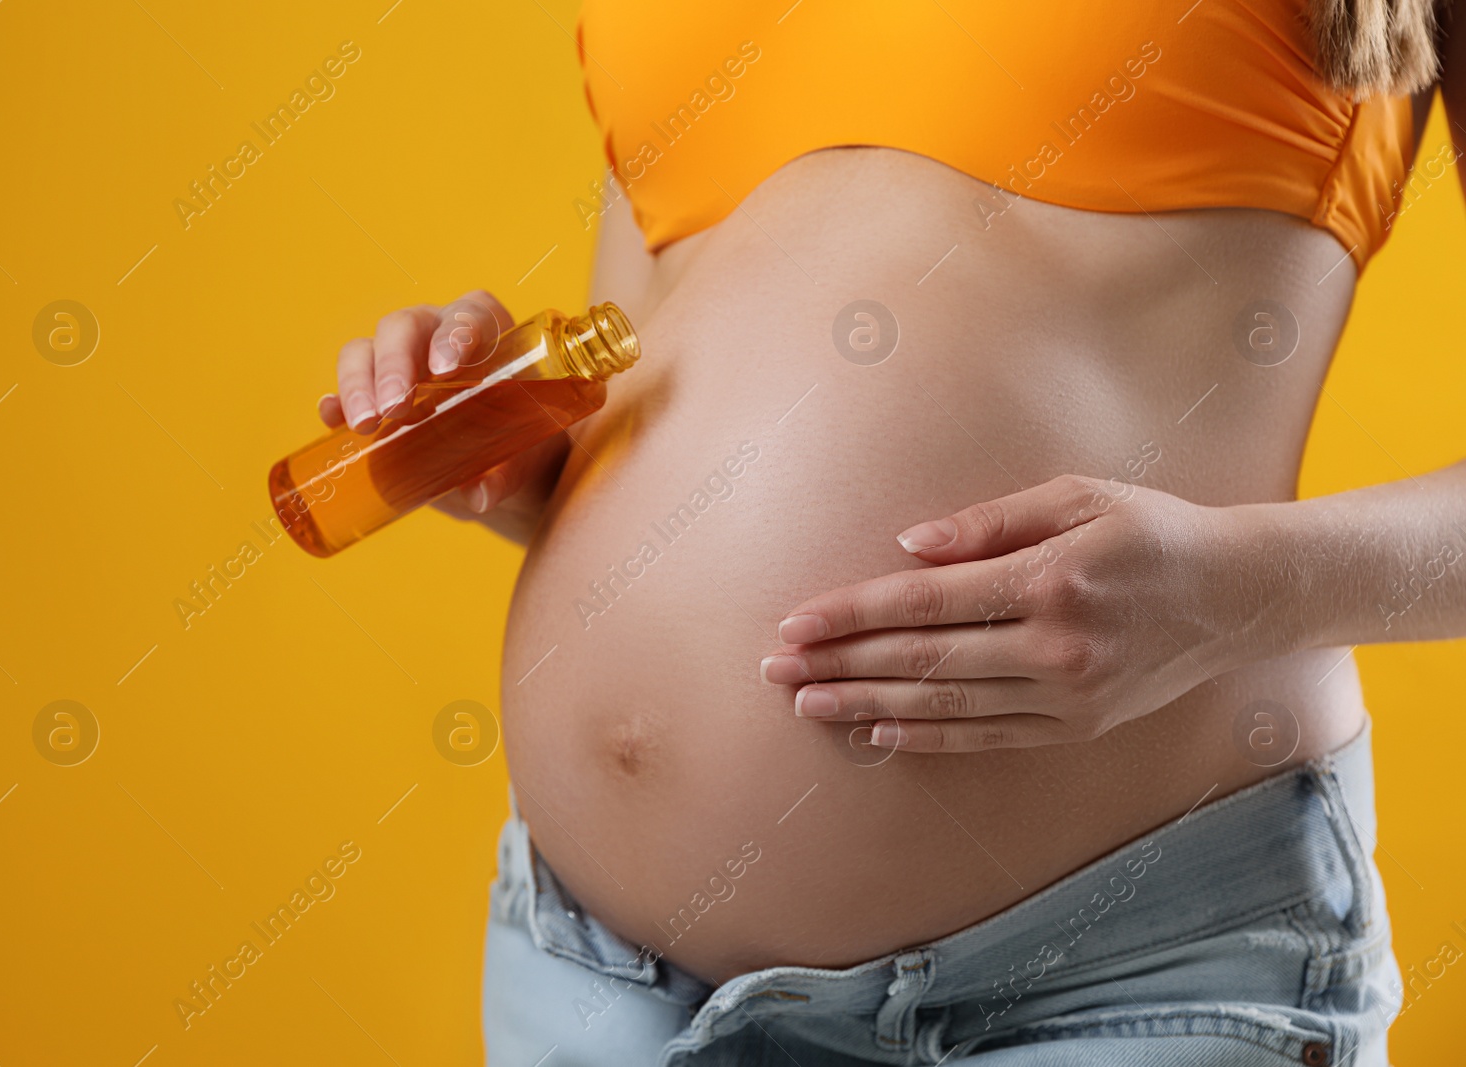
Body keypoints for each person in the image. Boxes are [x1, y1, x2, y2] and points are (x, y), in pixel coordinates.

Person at [319, 1, 1465, 1062]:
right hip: (591, 973)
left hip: (1119, 974)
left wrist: (1228, 589)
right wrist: (533, 458)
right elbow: (643, 353)